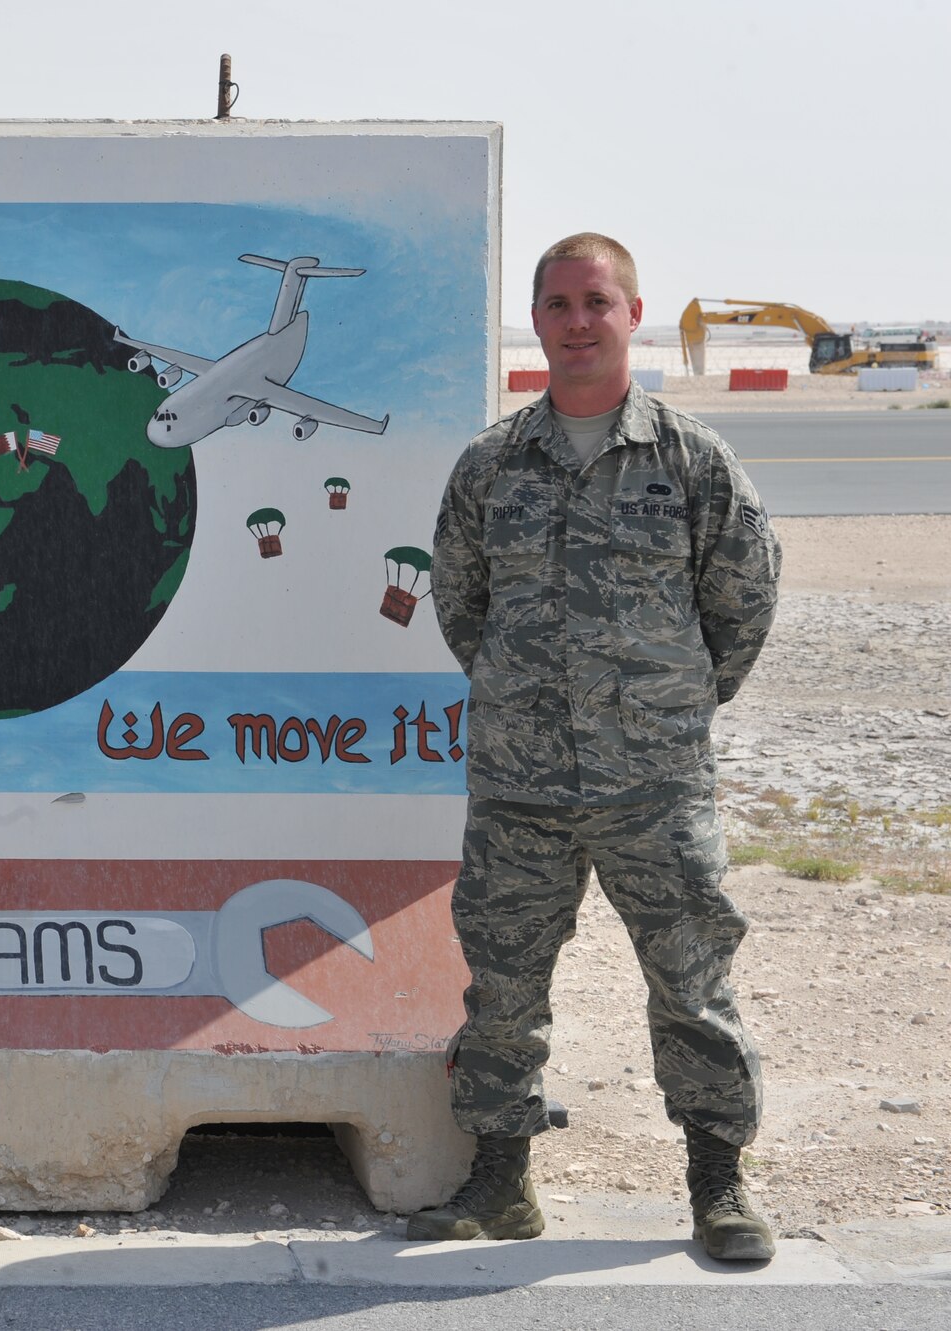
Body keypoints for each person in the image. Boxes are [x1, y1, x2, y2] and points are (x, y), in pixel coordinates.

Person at [412, 233, 782, 1261]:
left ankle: (717, 1183)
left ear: (630, 313)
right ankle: (499, 1181)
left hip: (652, 785)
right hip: (518, 784)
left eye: (595, 301)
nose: (577, 321)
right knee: (501, 988)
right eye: (557, 303)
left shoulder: (689, 458)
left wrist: (669, 708)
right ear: (533, 321)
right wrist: (524, 703)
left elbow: (741, 599)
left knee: (690, 982)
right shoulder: (490, 464)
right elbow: (461, 604)